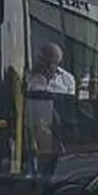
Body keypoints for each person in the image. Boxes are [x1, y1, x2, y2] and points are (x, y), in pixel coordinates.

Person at [25, 42, 76, 175]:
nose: (51, 66)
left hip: (56, 125)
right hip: (33, 122)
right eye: (48, 62)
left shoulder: (67, 79)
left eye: (55, 62)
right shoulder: (29, 77)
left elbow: (69, 106)